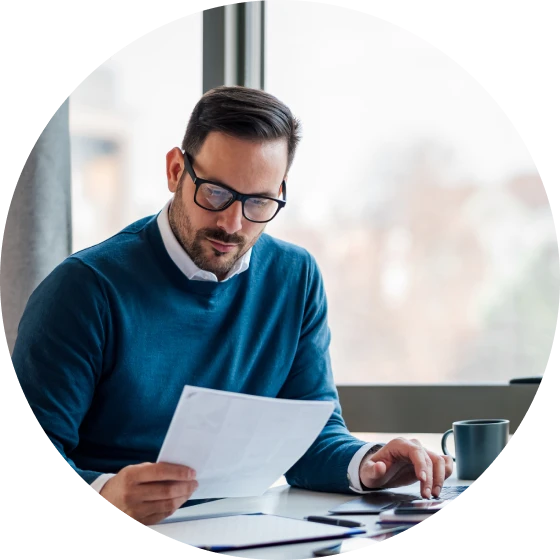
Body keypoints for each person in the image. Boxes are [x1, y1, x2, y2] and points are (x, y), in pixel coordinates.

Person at [11, 86, 453, 527]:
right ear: (175, 170)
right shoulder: (84, 290)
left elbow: (310, 435)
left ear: (279, 192)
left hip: (249, 532)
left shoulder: (295, 278)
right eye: (217, 193)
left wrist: (368, 464)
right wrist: (105, 491)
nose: (232, 223)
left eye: (258, 201)